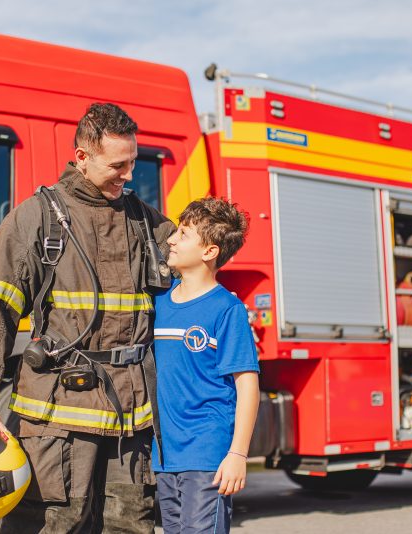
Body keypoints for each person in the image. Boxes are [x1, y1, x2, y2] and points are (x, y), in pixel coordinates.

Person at [0, 102, 175, 533]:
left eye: (133, 162)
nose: (129, 175)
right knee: (56, 525)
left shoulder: (144, 221)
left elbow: (199, 253)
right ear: (82, 157)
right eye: (118, 165)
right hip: (57, 420)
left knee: (130, 527)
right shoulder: (35, 219)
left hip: (129, 420)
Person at [152, 197, 260, 534]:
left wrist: (238, 454)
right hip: (164, 456)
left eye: (183, 234)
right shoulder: (157, 302)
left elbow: (247, 385)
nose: (171, 240)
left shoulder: (227, 309)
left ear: (209, 251)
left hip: (206, 454)